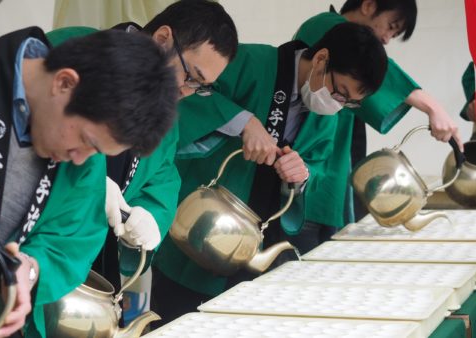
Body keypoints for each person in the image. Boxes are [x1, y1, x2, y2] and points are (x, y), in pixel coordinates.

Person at [0, 27, 177, 337]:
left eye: (96, 151)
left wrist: (30, 268)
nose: (82, 158)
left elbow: (70, 238)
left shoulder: (82, 159)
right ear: (64, 82)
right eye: (85, 140)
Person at [151, 22, 388, 326]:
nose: (338, 104)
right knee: (180, 323)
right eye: (339, 92)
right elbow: (186, 97)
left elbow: (316, 166)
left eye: (349, 102)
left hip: (259, 244)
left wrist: (300, 175)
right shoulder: (249, 62)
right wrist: (243, 121)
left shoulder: (326, 115)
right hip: (202, 229)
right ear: (321, 59)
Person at [47, 0, 238, 296]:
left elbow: (162, 175)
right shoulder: (75, 48)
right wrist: (85, 179)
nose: (186, 92)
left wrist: (150, 214)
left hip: (94, 255)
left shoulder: (166, 107)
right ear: (163, 39)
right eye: (190, 76)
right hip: (37, 241)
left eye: (200, 87)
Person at [292, 0, 462, 237]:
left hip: (332, 173)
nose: (386, 39)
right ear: (369, 5)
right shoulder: (324, 25)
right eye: (391, 26)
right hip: (304, 169)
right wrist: (432, 107)